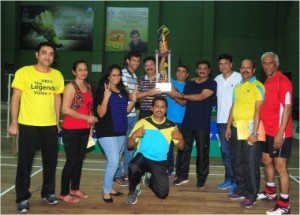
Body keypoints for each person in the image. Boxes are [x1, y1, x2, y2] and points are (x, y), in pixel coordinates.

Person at [8, 42, 64, 213]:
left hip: (49, 126)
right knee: (25, 163)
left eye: (51, 54)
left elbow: (57, 99)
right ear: (37, 55)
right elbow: (15, 98)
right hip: (28, 125)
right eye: (44, 53)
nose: (47, 56)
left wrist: (57, 121)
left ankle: (48, 192)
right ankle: (22, 198)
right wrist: (14, 122)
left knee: (50, 162)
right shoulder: (24, 72)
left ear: (54, 57)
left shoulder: (57, 75)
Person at [126, 96, 185, 205]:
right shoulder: (142, 122)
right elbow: (129, 146)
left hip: (160, 161)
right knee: (133, 166)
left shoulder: (172, 125)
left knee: (162, 194)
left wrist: (180, 138)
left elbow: (181, 147)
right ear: (151, 108)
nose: (159, 109)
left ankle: (148, 180)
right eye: (156, 106)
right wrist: (134, 136)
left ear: (166, 109)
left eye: (162, 107)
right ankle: (133, 190)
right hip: (143, 157)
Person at [168, 60, 217, 188]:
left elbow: (200, 97)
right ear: (196, 70)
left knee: (202, 153)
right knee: (183, 150)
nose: (202, 70)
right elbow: (184, 102)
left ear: (209, 70)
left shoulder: (211, 83)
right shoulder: (189, 84)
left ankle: (201, 180)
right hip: (188, 123)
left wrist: (181, 95)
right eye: (199, 68)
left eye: (204, 68)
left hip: (202, 125)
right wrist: (173, 95)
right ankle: (182, 176)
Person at [94, 64, 138, 203]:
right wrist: (106, 96)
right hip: (106, 131)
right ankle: (106, 191)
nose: (117, 77)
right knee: (114, 161)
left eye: (119, 75)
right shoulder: (102, 90)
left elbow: (124, 111)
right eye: (114, 75)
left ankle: (110, 188)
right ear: (108, 76)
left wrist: (134, 100)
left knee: (113, 161)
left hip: (120, 131)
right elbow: (100, 113)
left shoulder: (122, 91)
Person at [225, 59, 265, 209]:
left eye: (248, 67)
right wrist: (229, 126)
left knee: (251, 163)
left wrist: (254, 132)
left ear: (254, 70)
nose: (245, 70)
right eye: (243, 67)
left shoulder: (258, 86)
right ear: (240, 69)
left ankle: (251, 194)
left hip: (251, 130)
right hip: (236, 129)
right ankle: (241, 188)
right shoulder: (238, 87)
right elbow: (233, 107)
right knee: (237, 161)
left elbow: (258, 111)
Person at [258, 52, 293, 215]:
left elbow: (287, 108)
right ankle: (270, 191)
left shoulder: (283, 81)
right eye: (264, 63)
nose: (267, 66)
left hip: (280, 133)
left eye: (270, 63)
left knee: (281, 167)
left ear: (276, 64)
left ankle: (284, 204)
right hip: (267, 131)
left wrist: (280, 133)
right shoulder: (267, 81)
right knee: (266, 160)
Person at [59, 60, 98, 203]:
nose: (83, 72)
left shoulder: (87, 86)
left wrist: (90, 123)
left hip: (84, 129)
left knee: (79, 161)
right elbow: (65, 109)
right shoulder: (70, 87)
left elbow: (88, 107)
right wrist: (86, 117)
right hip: (71, 129)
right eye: (80, 69)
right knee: (71, 161)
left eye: (85, 69)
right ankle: (64, 193)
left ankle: (74, 188)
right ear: (74, 72)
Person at [214, 54, 242, 194]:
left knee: (235, 154)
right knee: (225, 153)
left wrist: (231, 124)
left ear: (231, 64)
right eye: (220, 63)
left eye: (226, 63)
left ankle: (237, 182)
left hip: (235, 123)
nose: (223, 66)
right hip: (220, 122)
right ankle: (229, 179)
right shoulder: (217, 79)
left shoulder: (239, 78)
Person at [113, 50, 141, 186]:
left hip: (132, 116)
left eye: (138, 61)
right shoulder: (121, 74)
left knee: (130, 146)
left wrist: (135, 96)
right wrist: (135, 96)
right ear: (128, 61)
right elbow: (128, 95)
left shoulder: (135, 76)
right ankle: (117, 174)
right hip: (122, 115)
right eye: (133, 60)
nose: (136, 63)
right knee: (119, 147)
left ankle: (126, 172)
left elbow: (134, 96)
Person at [166, 65, 189, 176]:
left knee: (181, 147)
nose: (180, 73)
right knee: (168, 147)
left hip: (183, 122)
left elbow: (184, 102)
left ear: (187, 74)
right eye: (178, 71)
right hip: (169, 121)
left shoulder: (189, 86)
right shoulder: (170, 82)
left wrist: (174, 94)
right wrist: (163, 54)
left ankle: (179, 170)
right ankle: (170, 168)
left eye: (183, 71)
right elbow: (161, 71)